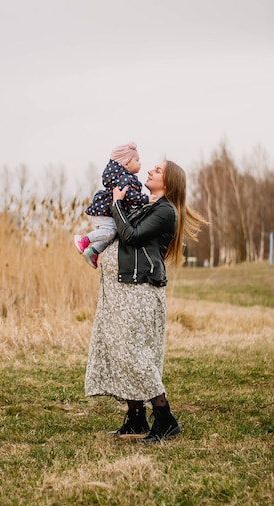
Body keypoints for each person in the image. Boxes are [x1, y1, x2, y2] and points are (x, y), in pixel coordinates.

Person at [84, 160, 207, 442]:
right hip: (122, 290)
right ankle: (136, 418)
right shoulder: (148, 205)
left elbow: (131, 235)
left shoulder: (166, 211)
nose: (150, 171)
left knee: (134, 352)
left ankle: (165, 419)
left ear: (169, 182)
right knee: (118, 347)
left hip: (140, 291)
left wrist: (115, 205)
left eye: (158, 170)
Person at [74, 142, 150, 269]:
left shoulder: (122, 177)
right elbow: (130, 195)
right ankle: (84, 240)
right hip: (105, 212)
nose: (140, 163)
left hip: (104, 211)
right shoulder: (125, 179)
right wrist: (146, 199)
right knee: (110, 232)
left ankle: (93, 252)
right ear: (126, 164)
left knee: (113, 234)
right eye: (137, 160)